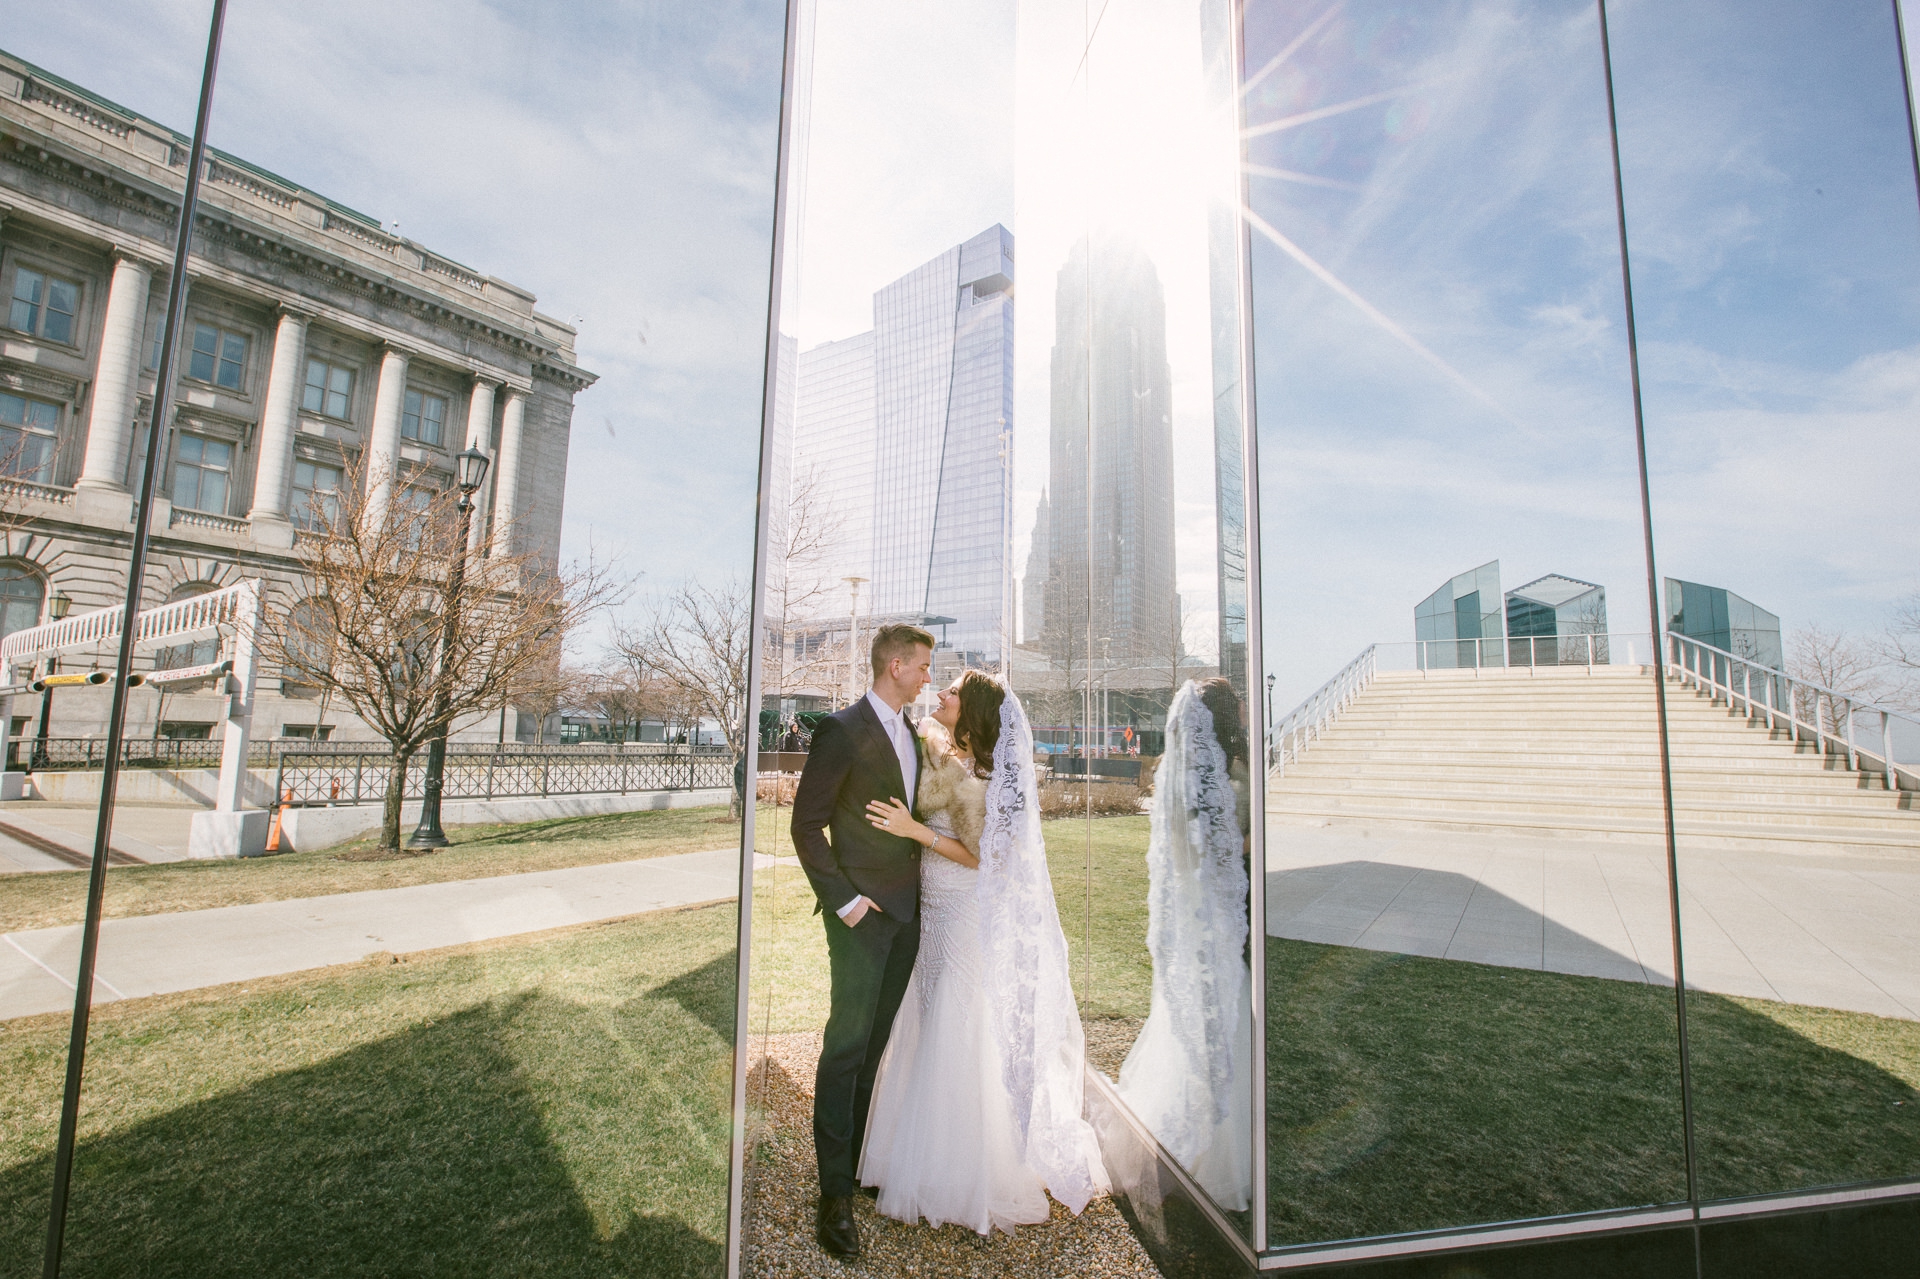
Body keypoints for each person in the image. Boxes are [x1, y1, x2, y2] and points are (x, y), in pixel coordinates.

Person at [857, 670, 1109, 1235]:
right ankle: (910, 1149)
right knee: (926, 1015)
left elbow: (986, 861)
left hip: (967, 913)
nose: (940, 694)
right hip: (934, 910)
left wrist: (912, 831)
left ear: (970, 711)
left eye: (950, 691)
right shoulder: (953, 763)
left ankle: (963, 1171)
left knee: (959, 1021)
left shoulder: (1001, 782)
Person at [790, 623, 934, 1259]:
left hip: (907, 919)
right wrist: (844, 902)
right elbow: (805, 827)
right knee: (845, 1048)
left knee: (874, 1046)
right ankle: (833, 1197)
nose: (930, 675)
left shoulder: (912, 735)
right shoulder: (842, 731)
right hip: (859, 919)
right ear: (896, 665)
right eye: (924, 665)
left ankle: (853, 1167)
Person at [1114, 676, 1254, 1212]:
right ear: (1223, 713)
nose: (1245, 709)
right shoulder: (1226, 778)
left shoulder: (1184, 775)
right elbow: (1221, 850)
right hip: (1220, 911)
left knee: (1197, 1015)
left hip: (1206, 913)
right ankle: (1216, 1151)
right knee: (1223, 1015)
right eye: (1239, 702)